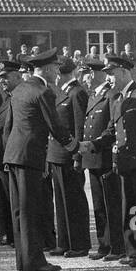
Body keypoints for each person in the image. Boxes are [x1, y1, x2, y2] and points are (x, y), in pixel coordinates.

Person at [1, 49, 70, 271]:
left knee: (19, 210)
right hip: (30, 156)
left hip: (13, 155)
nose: (58, 73)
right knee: (31, 209)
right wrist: (74, 146)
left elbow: (8, 127)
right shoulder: (43, 91)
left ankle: (23, 259)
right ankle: (35, 261)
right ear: (48, 69)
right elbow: (55, 126)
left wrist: (6, 155)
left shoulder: (20, 89)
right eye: (57, 68)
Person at [105, 53, 136, 267]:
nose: (109, 79)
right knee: (130, 208)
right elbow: (111, 131)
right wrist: (91, 145)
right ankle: (132, 250)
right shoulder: (117, 99)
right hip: (125, 164)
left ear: (124, 72)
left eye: (112, 74)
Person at [79, 57, 123, 260]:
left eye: (87, 73)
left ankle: (117, 246)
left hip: (105, 157)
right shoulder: (93, 95)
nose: (84, 77)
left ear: (97, 73)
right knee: (98, 205)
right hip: (93, 158)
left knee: (111, 204)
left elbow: (112, 128)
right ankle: (104, 245)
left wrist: (95, 144)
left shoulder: (111, 95)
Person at [48, 57, 91, 258]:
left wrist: (78, 156)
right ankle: (64, 242)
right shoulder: (63, 93)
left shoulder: (77, 92)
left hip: (69, 155)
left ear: (60, 74)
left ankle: (79, 244)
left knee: (73, 201)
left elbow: (79, 126)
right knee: (61, 201)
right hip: (57, 155)